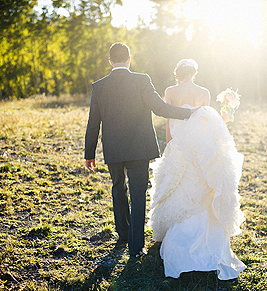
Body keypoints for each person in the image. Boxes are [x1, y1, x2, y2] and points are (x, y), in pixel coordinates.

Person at [84, 43, 197, 258]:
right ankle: (136, 247)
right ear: (129, 59)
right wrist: (188, 112)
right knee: (137, 194)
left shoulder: (99, 86)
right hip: (139, 147)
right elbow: (160, 108)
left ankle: (123, 234)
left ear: (110, 61)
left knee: (118, 188)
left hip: (114, 148)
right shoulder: (142, 80)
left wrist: (89, 153)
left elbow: (93, 122)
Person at [147, 59, 246, 280]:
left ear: (178, 73)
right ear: (194, 72)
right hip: (200, 150)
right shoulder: (204, 92)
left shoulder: (170, 90)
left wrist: (170, 144)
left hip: (179, 146)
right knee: (201, 190)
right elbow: (207, 125)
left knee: (179, 189)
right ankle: (204, 243)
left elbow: (169, 119)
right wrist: (225, 118)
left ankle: (178, 244)